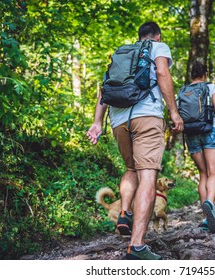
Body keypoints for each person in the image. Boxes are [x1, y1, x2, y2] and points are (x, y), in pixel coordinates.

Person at [87, 21, 183, 260]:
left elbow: (104, 89)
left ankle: (124, 211)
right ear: (157, 36)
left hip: (118, 119)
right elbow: (162, 73)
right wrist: (173, 111)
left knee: (131, 168)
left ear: (137, 36)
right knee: (148, 174)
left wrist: (97, 122)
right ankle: (137, 246)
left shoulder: (122, 52)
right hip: (146, 115)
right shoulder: (158, 47)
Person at [184, 61, 215, 233]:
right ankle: (210, 203)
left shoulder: (184, 90)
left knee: (203, 174)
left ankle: (205, 217)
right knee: (213, 172)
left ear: (191, 74)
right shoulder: (210, 87)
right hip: (209, 130)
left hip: (191, 133)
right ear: (205, 73)